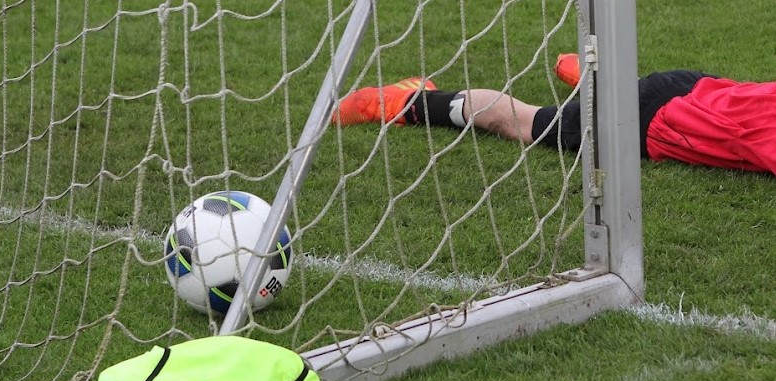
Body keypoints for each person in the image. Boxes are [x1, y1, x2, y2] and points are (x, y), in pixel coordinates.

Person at [332, 54, 776, 175]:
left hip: (701, 87)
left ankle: (595, 79)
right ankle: (408, 102)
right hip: (655, 120)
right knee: (520, 122)